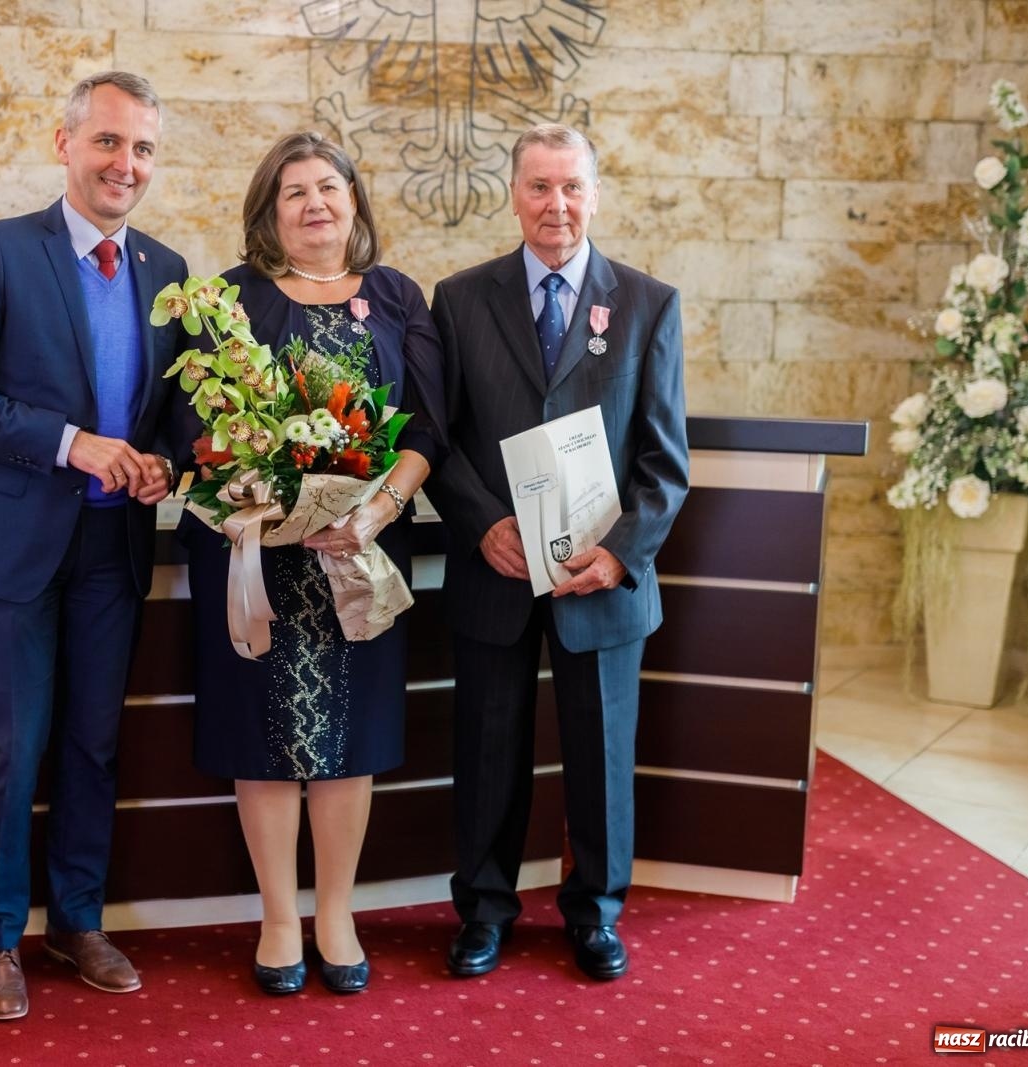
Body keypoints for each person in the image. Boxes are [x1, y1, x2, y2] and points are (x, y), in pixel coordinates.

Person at [0, 71, 187, 1021]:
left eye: (143, 147)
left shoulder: (169, 271)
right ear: (64, 144)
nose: (126, 164)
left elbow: (174, 418)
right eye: (109, 142)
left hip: (113, 550)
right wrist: (73, 443)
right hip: (11, 546)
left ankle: (76, 920)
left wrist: (163, 463)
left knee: (92, 746)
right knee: (9, 746)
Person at [177, 132, 444, 996]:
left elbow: (430, 427)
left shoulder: (398, 295)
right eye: (294, 192)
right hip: (262, 556)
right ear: (269, 212)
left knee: (350, 735)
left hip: (362, 552)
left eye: (329, 187)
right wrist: (257, 498)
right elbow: (193, 432)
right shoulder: (229, 299)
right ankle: (278, 916)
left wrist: (377, 508)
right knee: (262, 736)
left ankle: (336, 910)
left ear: (355, 201)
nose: (315, 204)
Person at [425, 123, 688, 982]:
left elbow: (663, 463)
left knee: (603, 758)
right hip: (495, 571)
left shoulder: (649, 303)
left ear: (596, 195)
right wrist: (480, 524)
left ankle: (597, 914)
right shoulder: (460, 300)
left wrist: (620, 555)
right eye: (540, 187)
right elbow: (440, 439)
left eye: (572, 187)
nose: (557, 205)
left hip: (601, 582)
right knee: (488, 751)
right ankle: (484, 912)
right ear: (514, 194)